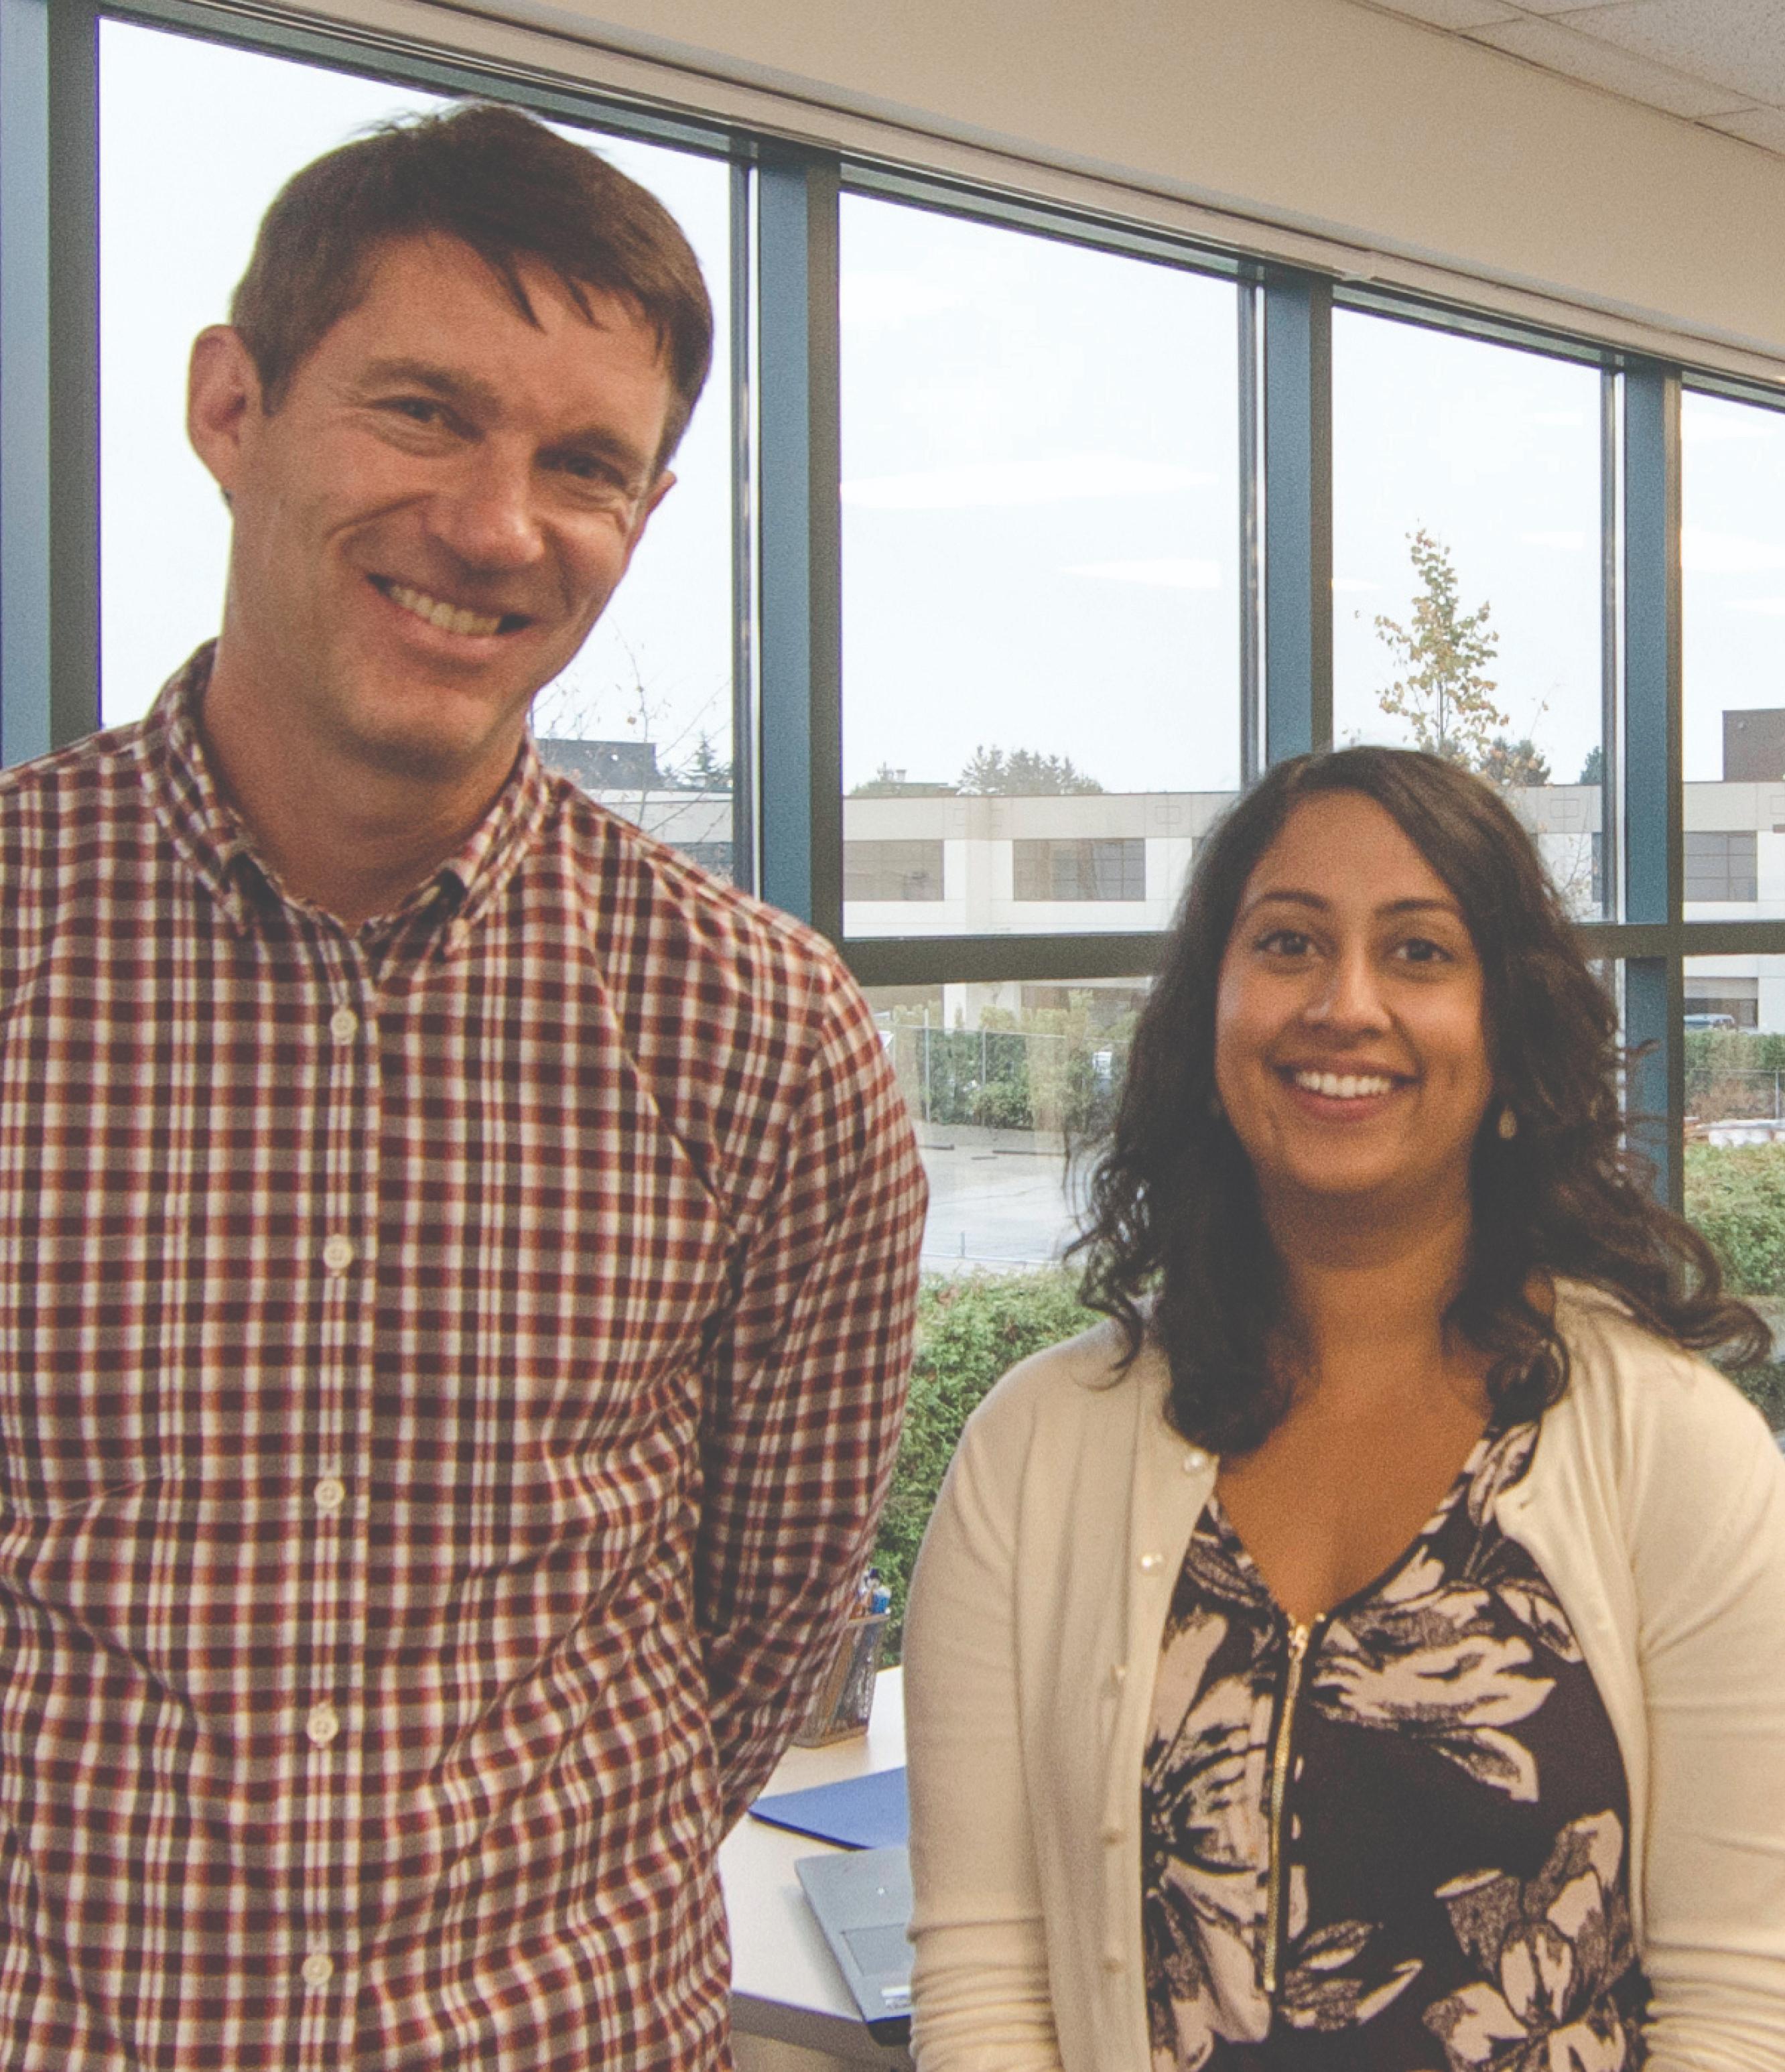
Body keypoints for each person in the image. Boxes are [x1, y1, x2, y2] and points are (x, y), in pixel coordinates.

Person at [0, 104, 926, 2067]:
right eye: (424, 413)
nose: (499, 526)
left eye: (583, 464)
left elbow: (767, 1619)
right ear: (232, 406)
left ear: (643, 513)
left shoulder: (762, 1031)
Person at [904, 748, 1785, 2071]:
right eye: (1289, 943)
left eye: (1420, 952)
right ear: (1209, 1010)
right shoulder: (1034, 1451)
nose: (1346, 1004)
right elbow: (986, 1982)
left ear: (1506, 1028)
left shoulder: (1677, 1450)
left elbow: (1742, 2009)